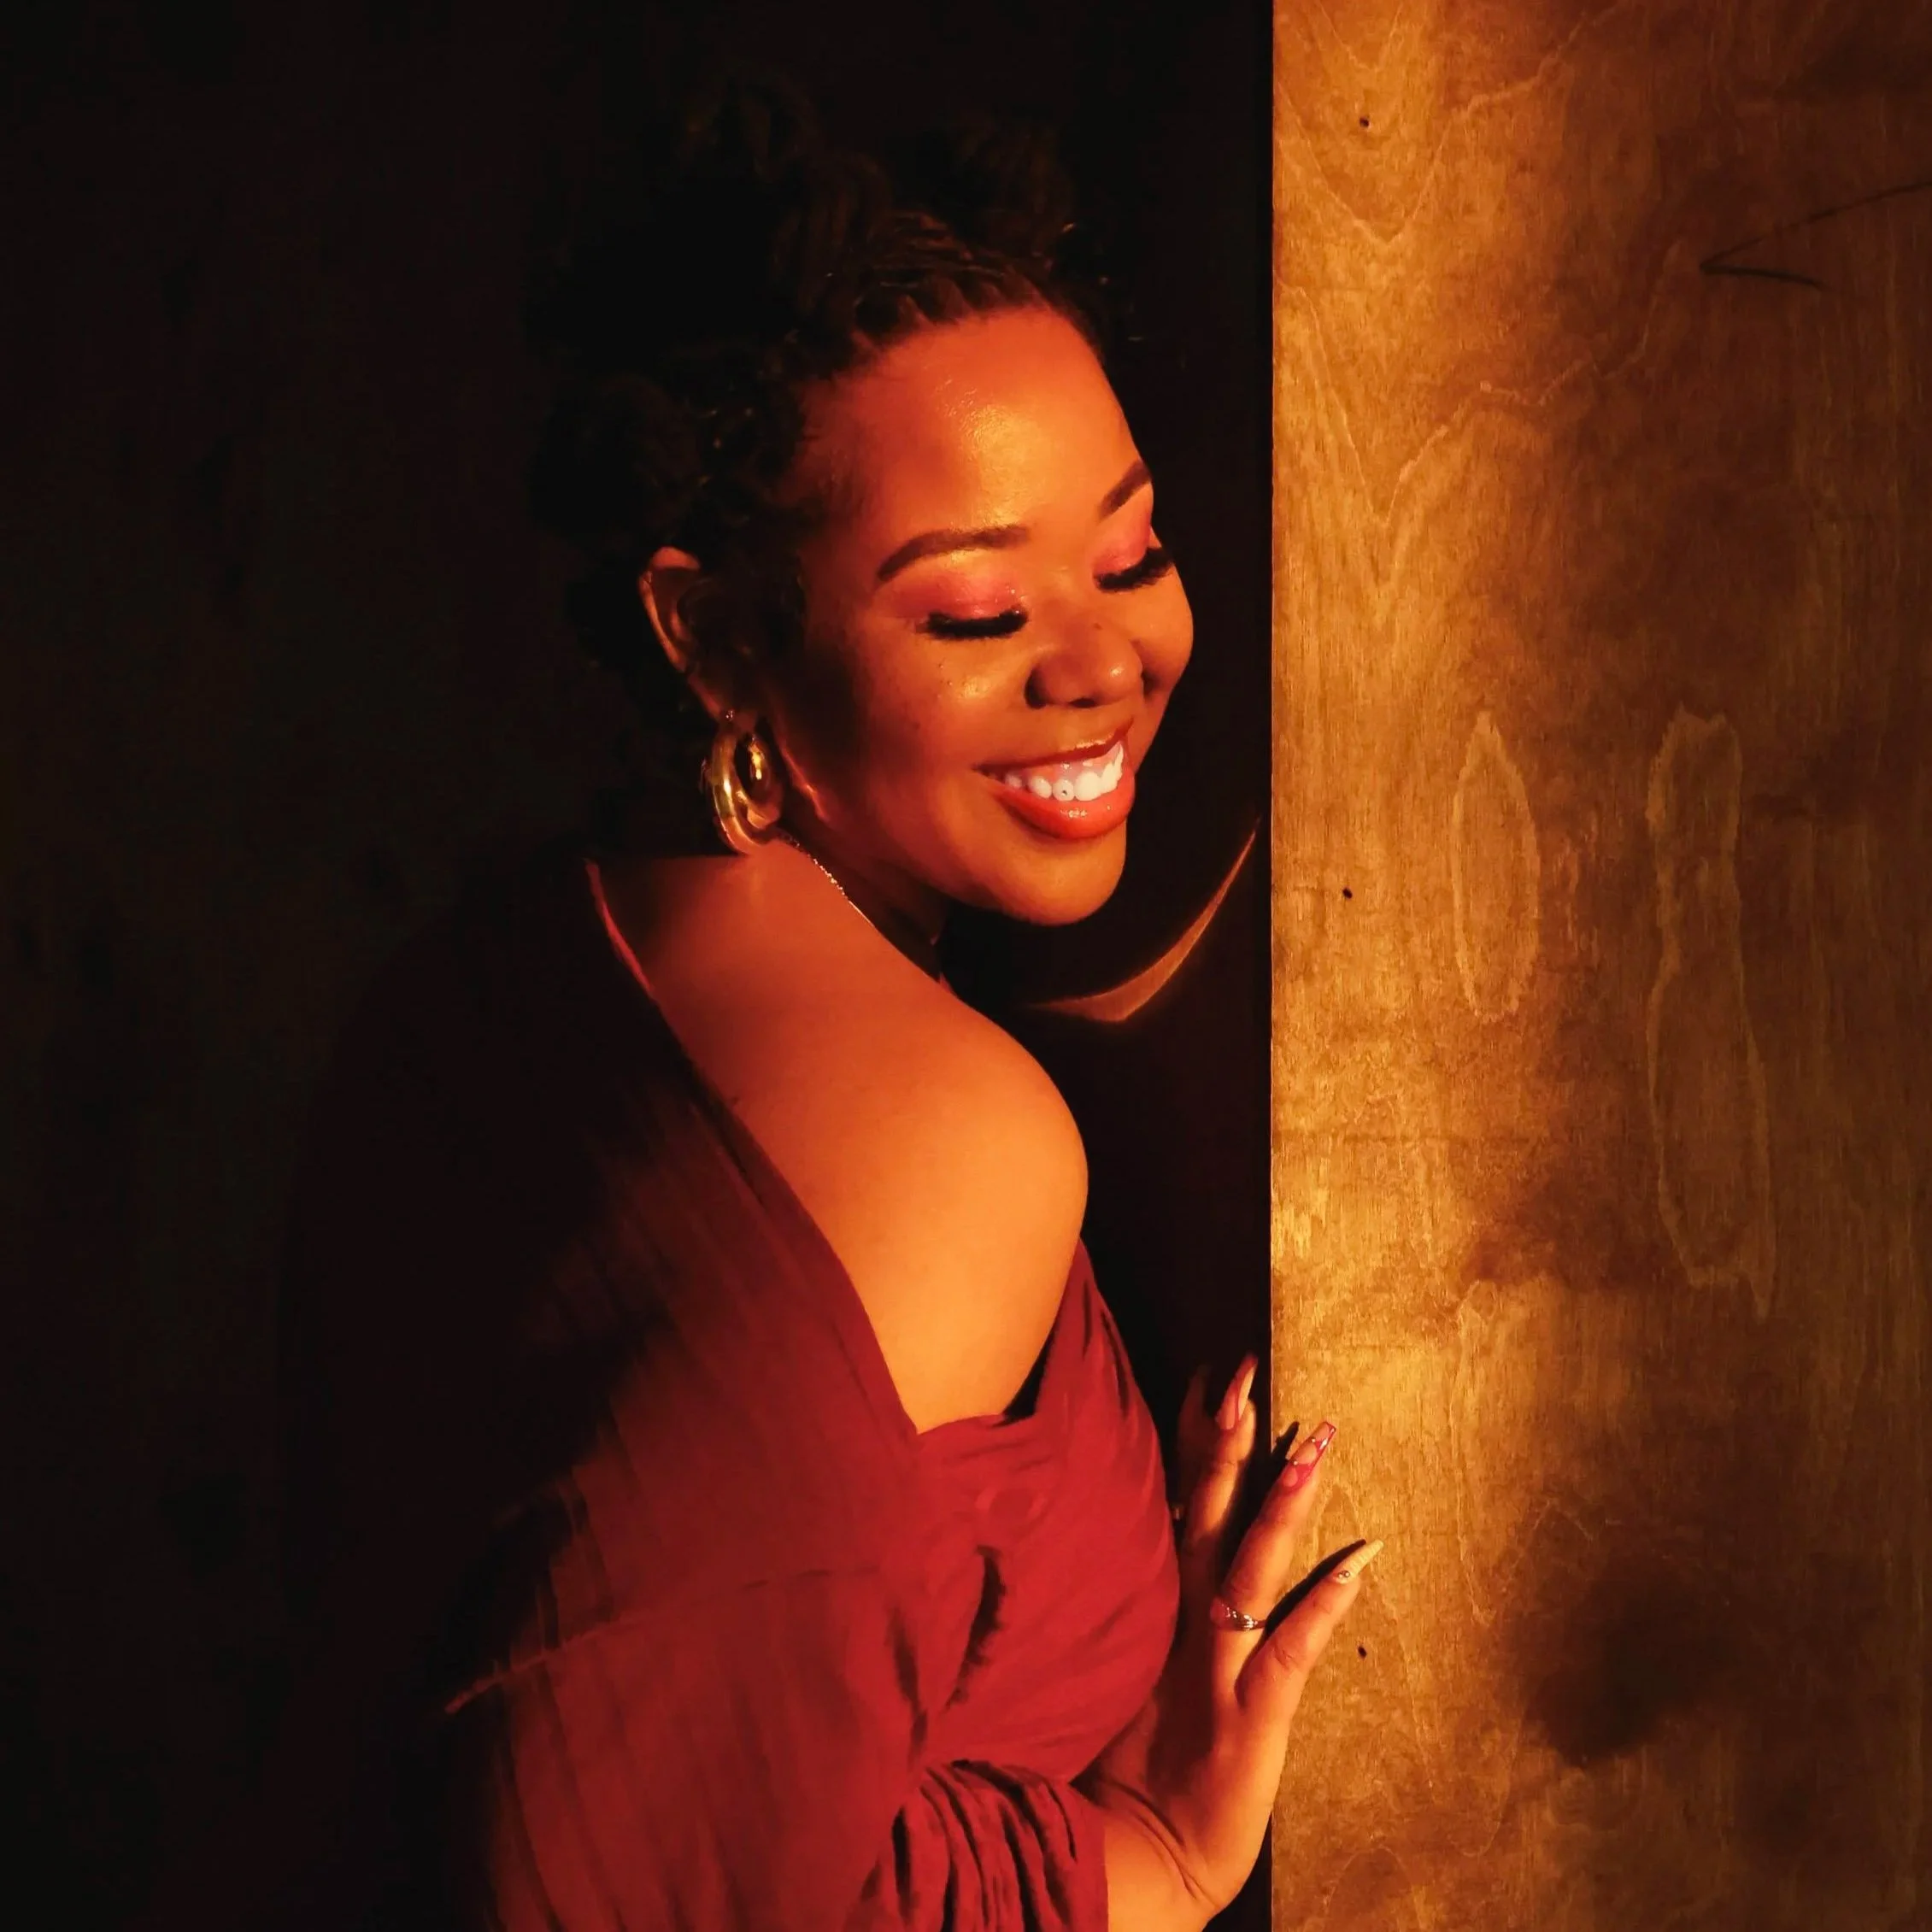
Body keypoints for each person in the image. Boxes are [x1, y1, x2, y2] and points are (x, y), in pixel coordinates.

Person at [256, 80, 1380, 1932]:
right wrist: (1148, 1857)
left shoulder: (500, 974)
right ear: (712, 636)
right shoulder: (945, 1134)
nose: (1103, 661)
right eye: (975, 615)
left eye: (1128, 556)